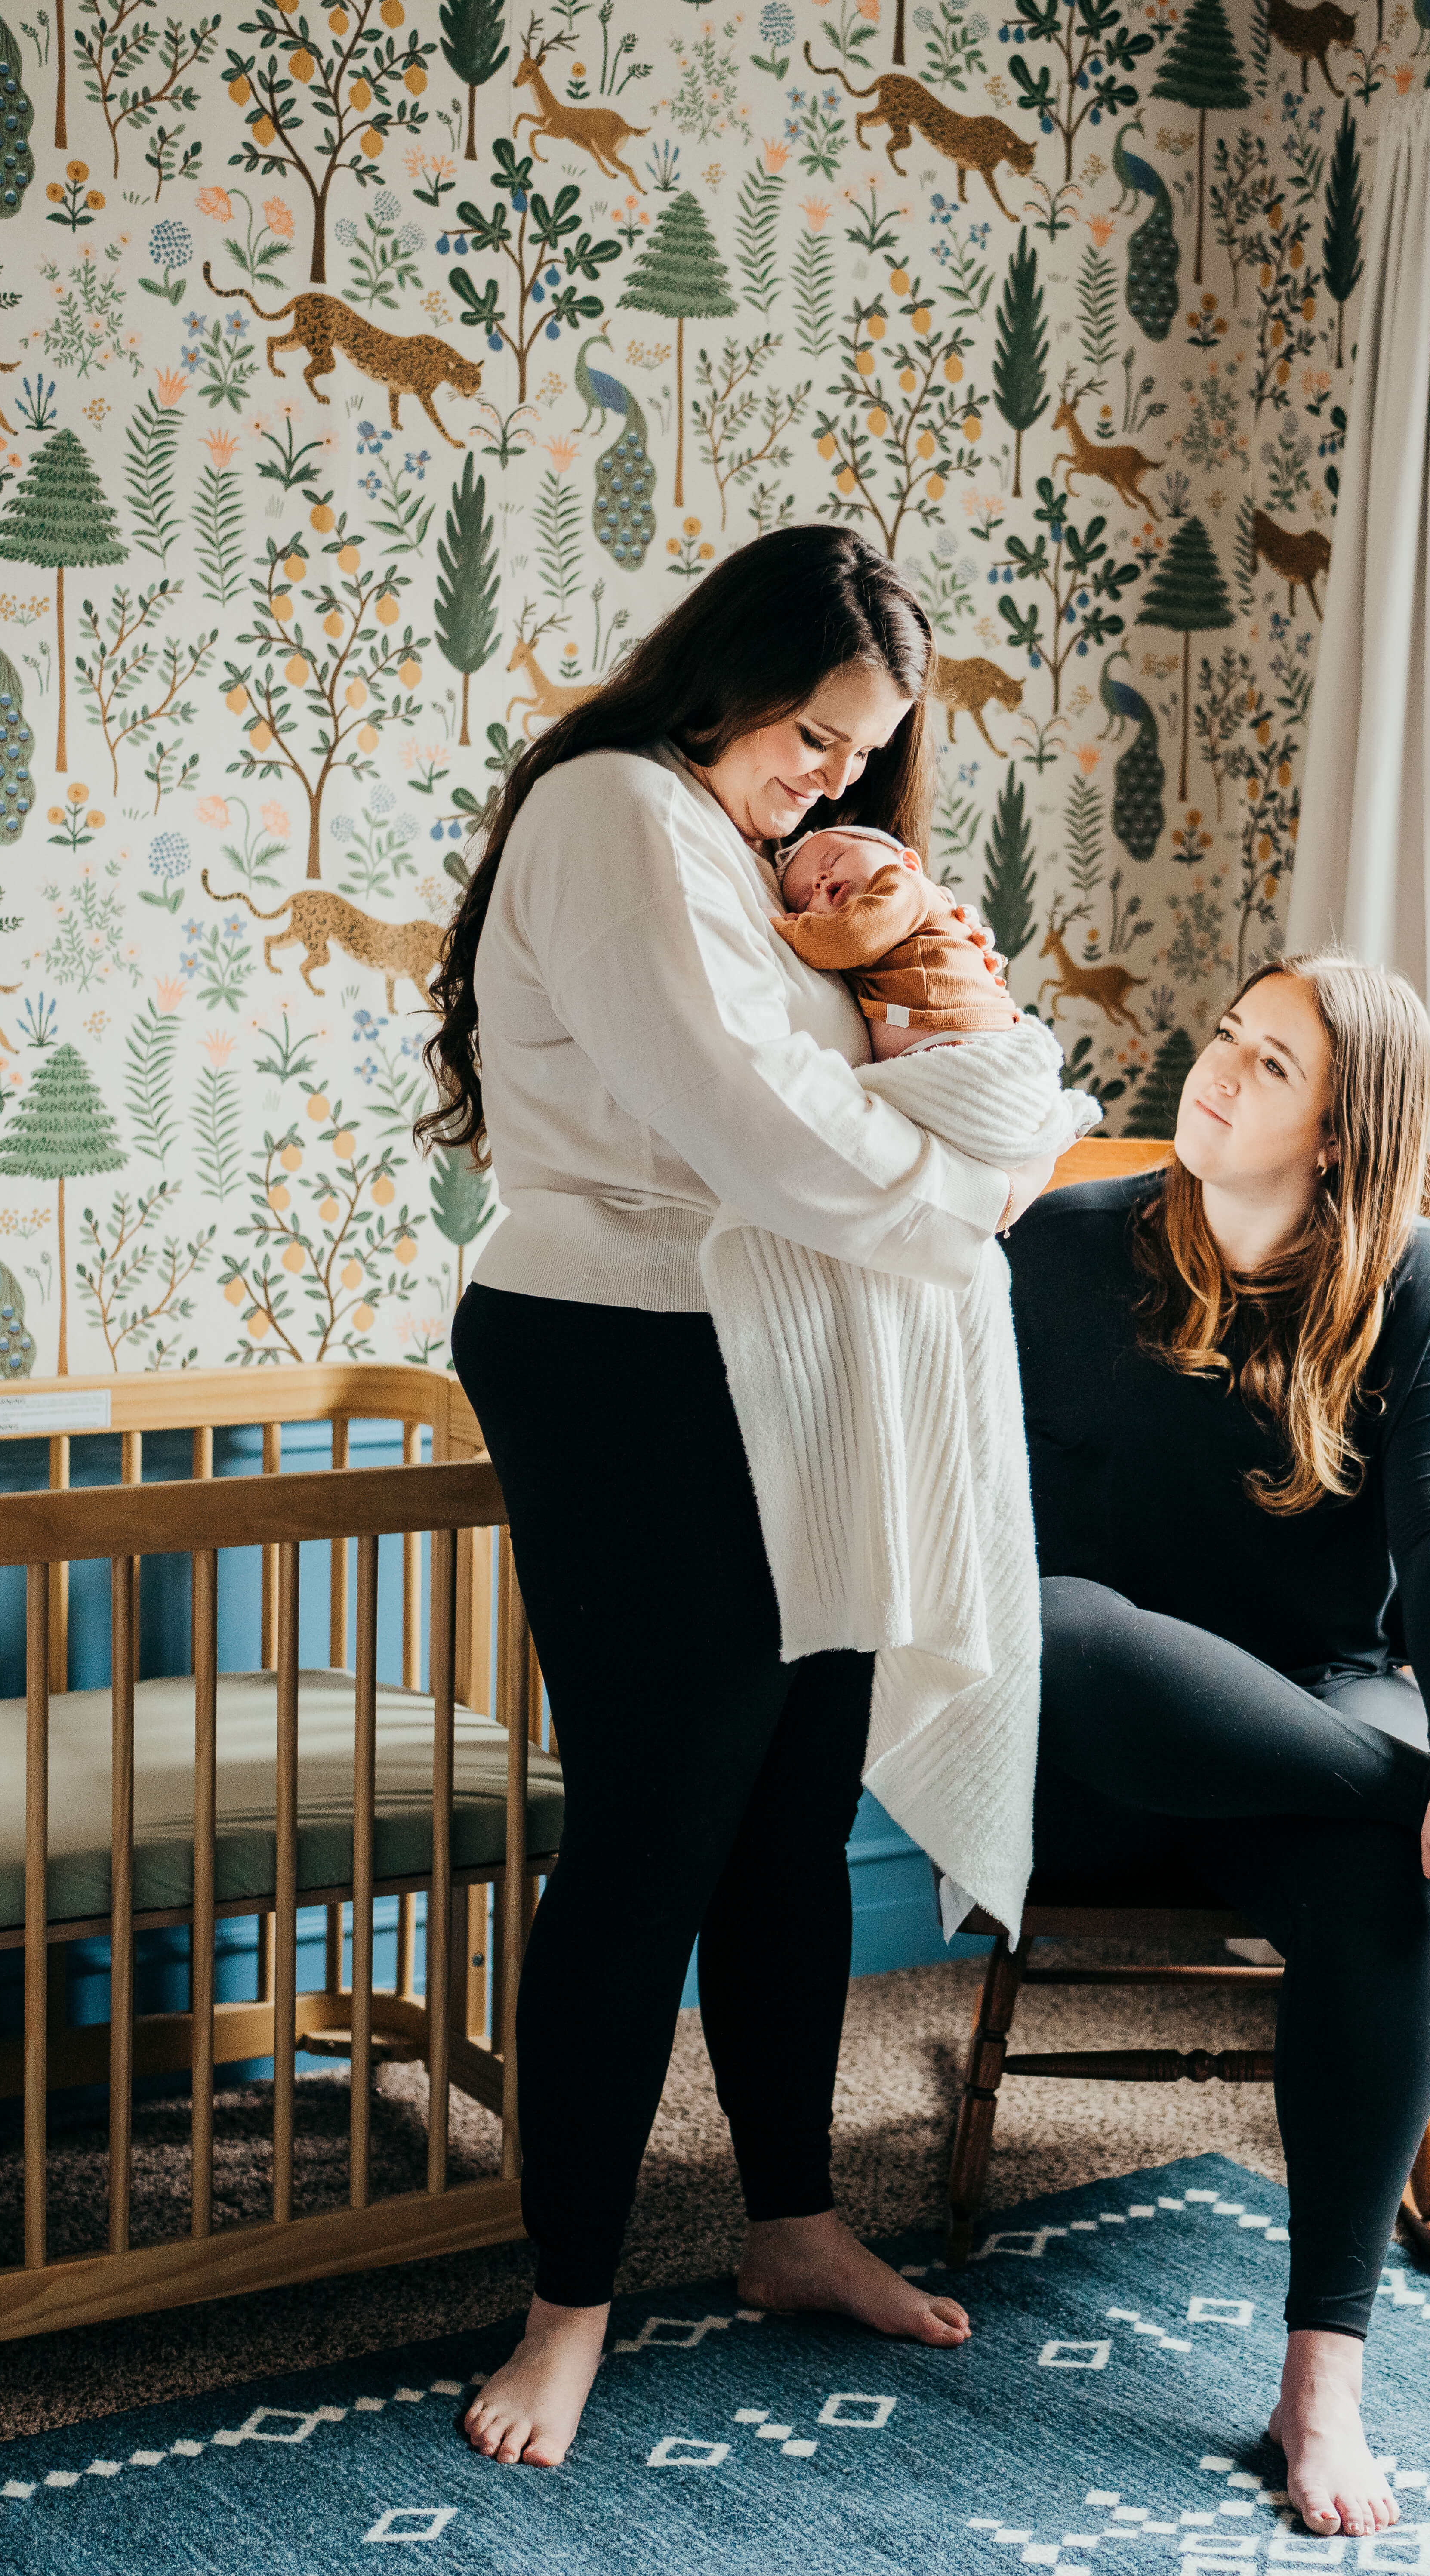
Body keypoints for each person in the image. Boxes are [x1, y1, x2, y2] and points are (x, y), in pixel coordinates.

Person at [416, 526, 1053, 2469]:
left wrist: (959, 1110)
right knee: (653, 1838)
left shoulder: (778, 863)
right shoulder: (617, 809)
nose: (834, 780)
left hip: (792, 1356)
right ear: (726, 676)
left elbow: (931, 1079)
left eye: (865, 753)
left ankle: (788, 2222)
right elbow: (763, 1129)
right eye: (813, 733)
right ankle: (568, 2305)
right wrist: (966, 1179)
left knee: (788, 1816)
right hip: (633, 1364)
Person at [1003, 954, 1430, 2542]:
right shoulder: (1058, 1248)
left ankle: (1323, 2375)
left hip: (1314, 1707)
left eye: (1269, 1061)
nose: (1214, 1071)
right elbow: (974, 1536)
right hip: (1091, 1754)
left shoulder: (1428, 1286)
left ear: (1338, 1126)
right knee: (1058, 1613)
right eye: (1225, 1035)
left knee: (1374, 1862)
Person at [773, 824, 1020, 1059]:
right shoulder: (863, 948)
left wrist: (786, 928)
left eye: (835, 858)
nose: (819, 881)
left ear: (909, 863)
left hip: (970, 1038)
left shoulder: (905, 884)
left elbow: (851, 936)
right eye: (805, 901)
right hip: (939, 1049)